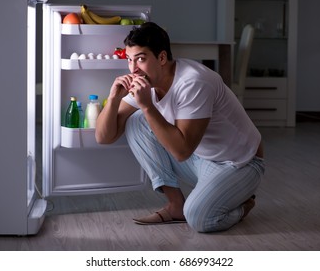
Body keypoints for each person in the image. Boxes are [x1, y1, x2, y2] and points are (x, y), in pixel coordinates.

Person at [95, 22, 265, 233]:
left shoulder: (193, 83)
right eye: (130, 60)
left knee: (198, 218)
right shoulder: (146, 81)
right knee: (136, 122)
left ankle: (242, 204)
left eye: (141, 58)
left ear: (162, 58)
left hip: (239, 163)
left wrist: (147, 106)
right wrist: (113, 98)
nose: (133, 68)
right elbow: (104, 137)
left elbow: (182, 151)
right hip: (201, 158)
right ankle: (176, 206)